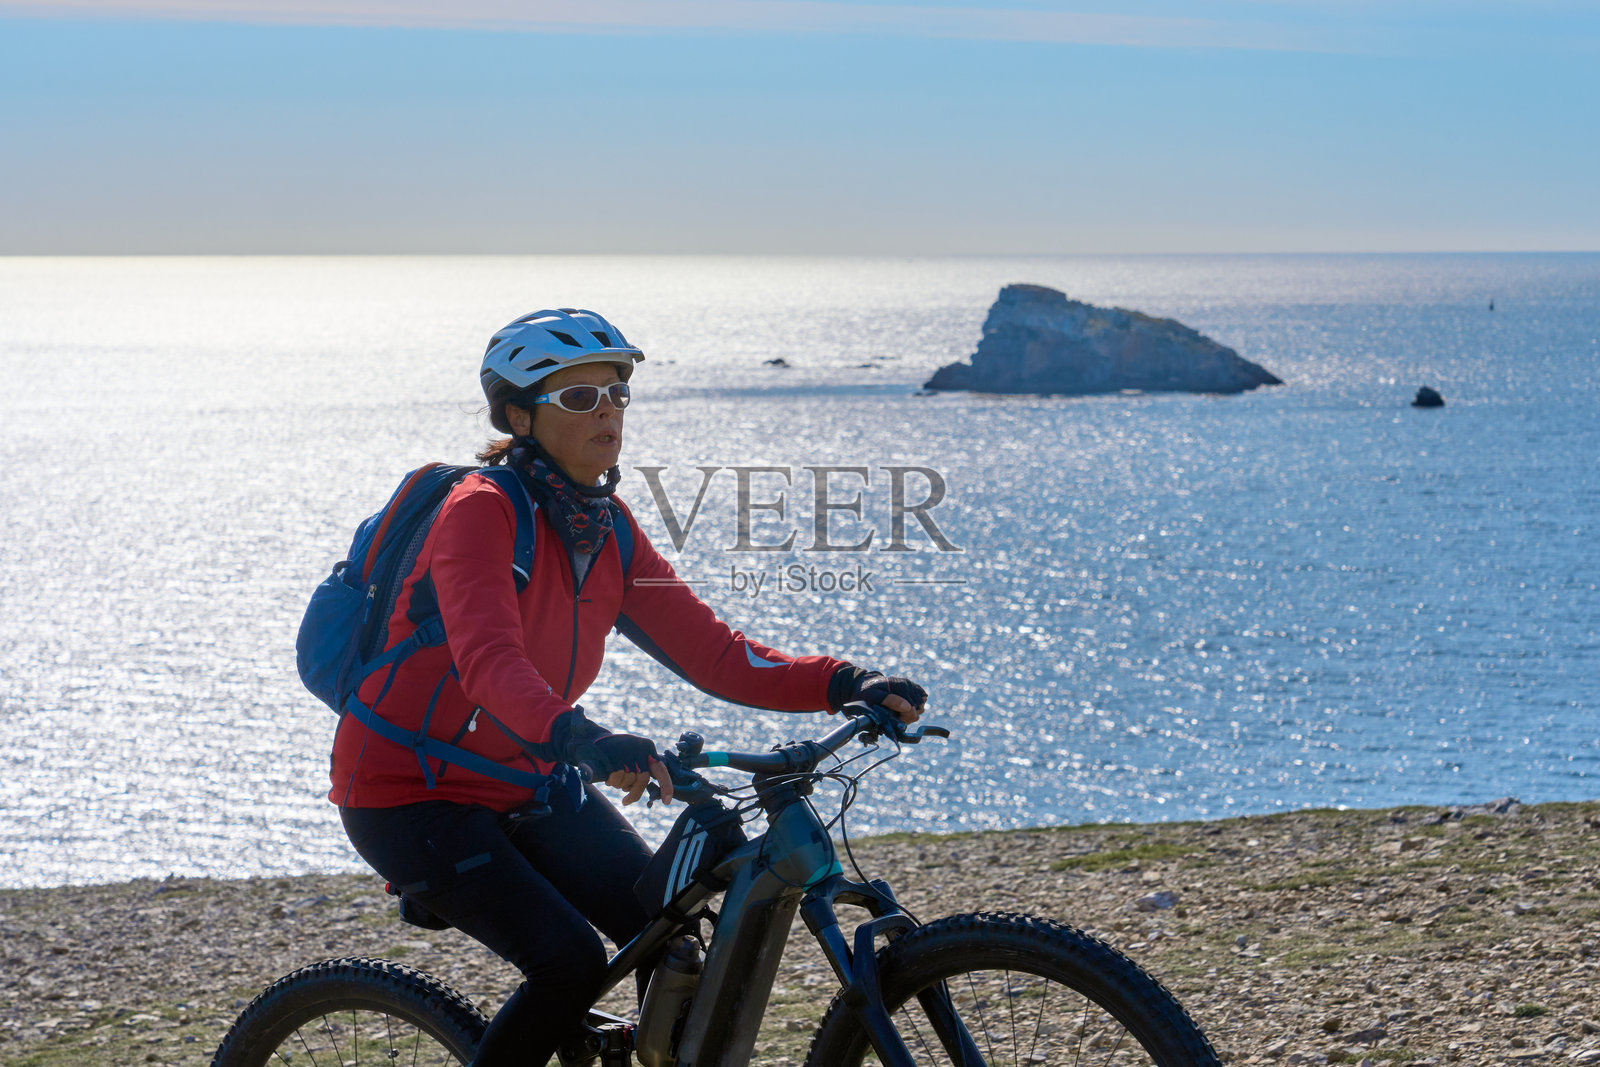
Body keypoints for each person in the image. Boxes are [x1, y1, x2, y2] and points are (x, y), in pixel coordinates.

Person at [329, 307, 927, 1066]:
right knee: (568, 962)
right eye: (579, 397)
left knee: (667, 926)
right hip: (406, 789)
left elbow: (715, 653)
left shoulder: (606, 527)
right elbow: (488, 661)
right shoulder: (480, 511)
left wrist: (845, 680)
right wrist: (583, 738)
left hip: (524, 776)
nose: (607, 409)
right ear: (520, 414)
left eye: (616, 392)